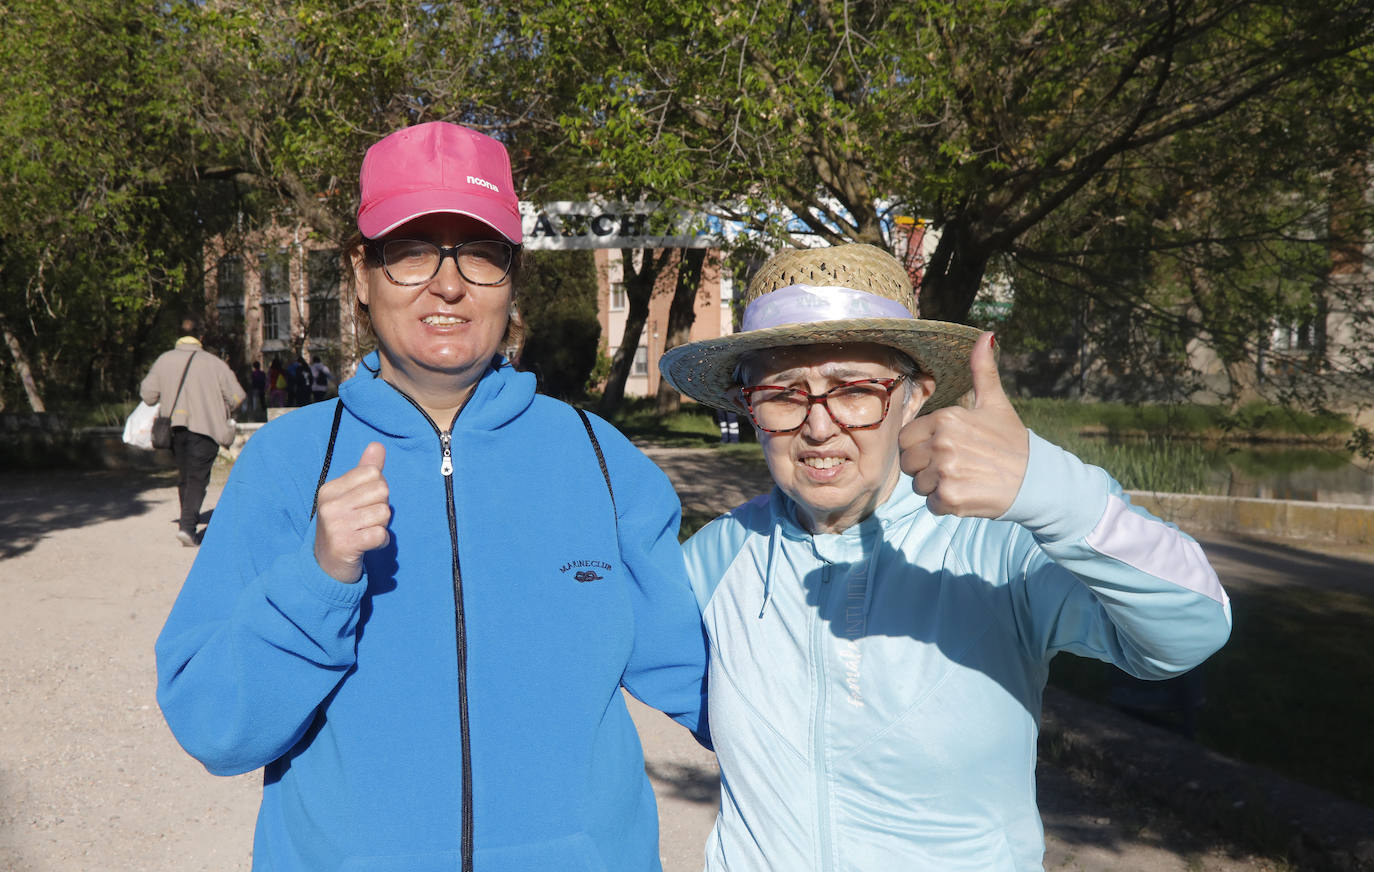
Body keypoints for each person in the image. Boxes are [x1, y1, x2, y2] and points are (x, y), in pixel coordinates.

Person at [155, 121, 707, 872]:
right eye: (411, 250)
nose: (448, 283)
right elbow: (215, 726)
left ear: (512, 277)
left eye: (479, 252)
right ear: (361, 271)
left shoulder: (601, 461)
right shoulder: (285, 465)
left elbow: (724, 685)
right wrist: (318, 582)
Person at [659, 243, 1233, 871]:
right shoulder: (722, 555)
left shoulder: (996, 546)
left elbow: (1189, 631)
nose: (818, 426)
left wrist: (1051, 492)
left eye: (854, 390)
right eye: (784, 393)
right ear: (749, 406)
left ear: (914, 396)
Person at [140, 319, 245, 546]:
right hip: (206, 429)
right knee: (198, 477)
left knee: (185, 476)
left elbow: (148, 395)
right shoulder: (214, 363)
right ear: (202, 338)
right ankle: (187, 527)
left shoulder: (163, 360)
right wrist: (222, 407)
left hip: (176, 428)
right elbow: (238, 396)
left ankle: (186, 523)